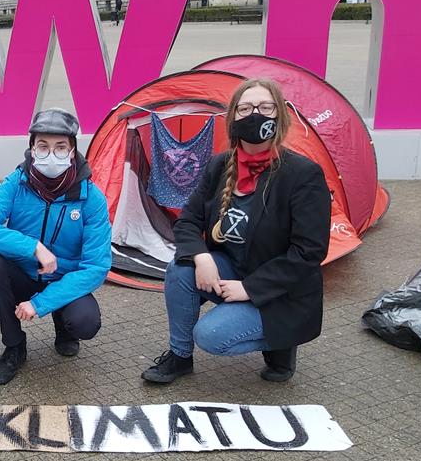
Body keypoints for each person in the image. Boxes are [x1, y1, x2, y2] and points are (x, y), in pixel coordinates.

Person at [141, 78, 331, 385]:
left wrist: (251, 288)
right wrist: (201, 256)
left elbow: (309, 252)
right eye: (245, 108)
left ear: (278, 115)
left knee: (212, 336)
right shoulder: (219, 165)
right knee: (180, 269)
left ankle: (281, 341)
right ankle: (179, 357)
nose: (255, 114)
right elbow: (188, 221)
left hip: (282, 292)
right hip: (234, 270)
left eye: (265, 107)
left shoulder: (303, 174)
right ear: (233, 119)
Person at [0, 108, 111, 385]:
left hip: (64, 278)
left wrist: (41, 303)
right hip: (23, 273)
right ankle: (14, 346)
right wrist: (32, 246)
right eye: (42, 146)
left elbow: (96, 267)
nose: (51, 154)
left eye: (60, 147)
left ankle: (64, 325)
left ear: (72, 152)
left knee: (85, 323)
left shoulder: (91, 198)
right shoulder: (16, 183)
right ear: (32, 149)